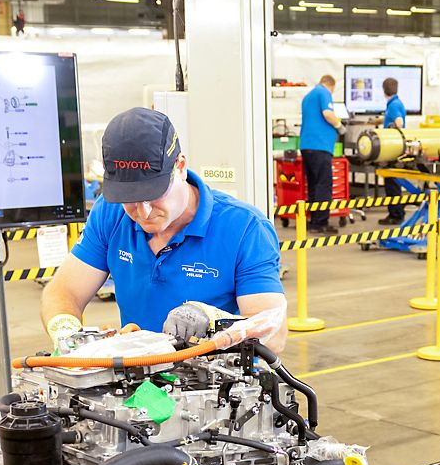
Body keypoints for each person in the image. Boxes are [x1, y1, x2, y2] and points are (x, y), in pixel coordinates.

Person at [40, 108, 287, 355]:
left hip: (214, 385)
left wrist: (213, 321)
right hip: (137, 382)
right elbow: (64, 290)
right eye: (130, 199)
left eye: (154, 194)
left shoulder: (244, 228)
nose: (144, 212)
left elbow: (273, 335)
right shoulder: (110, 213)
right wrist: (67, 334)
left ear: (180, 166)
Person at [298, 74, 342, 235]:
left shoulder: (308, 96)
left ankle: (314, 221)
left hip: (306, 145)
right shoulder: (324, 92)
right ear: (331, 85)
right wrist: (339, 125)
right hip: (320, 146)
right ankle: (321, 223)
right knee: (324, 184)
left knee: (314, 185)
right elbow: (328, 114)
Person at [378, 77, 407, 226]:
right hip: (396, 147)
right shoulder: (396, 103)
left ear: (384, 91)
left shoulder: (394, 105)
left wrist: (390, 131)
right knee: (393, 181)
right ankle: (397, 212)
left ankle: (396, 214)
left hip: (393, 148)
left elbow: (399, 123)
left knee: (391, 182)